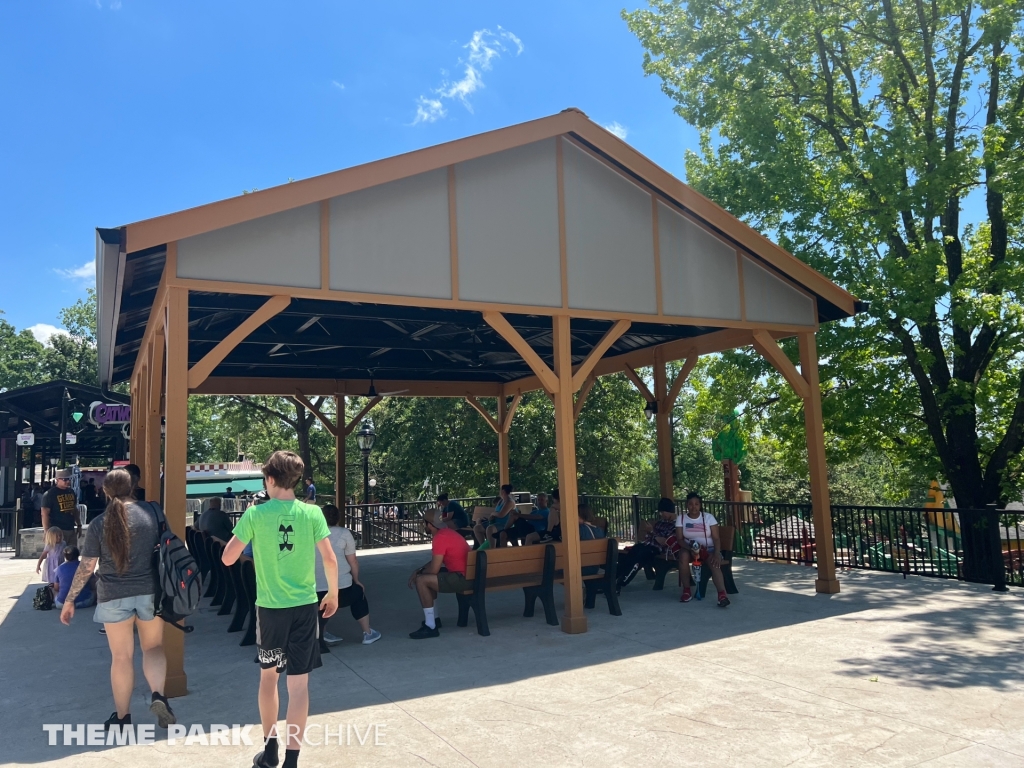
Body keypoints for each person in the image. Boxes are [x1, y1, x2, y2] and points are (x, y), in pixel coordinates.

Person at [222, 451, 338, 768]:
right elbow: (329, 558)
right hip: (304, 608)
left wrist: (251, 530)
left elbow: (228, 558)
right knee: (299, 686)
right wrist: (333, 593)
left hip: (271, 610)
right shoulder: (312, 514)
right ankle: (292, 761)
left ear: (270, 480)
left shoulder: (256, 515)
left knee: (269, 679)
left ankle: (270, 748)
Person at [59, 468, 177, 731]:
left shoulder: (100, 523)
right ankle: (158, 694)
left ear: (105, 491)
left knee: (122, 658)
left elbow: (87, 566)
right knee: (153, 648)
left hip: (112, 596)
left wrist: (69, 599)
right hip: (150, 592)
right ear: (133, 486)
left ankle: (123, 718)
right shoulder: (152, 513)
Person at [314, 504, 381, 650]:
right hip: (341, 587)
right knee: (358, 595)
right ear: (338, 518)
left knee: (320, 605)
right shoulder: (344, 533)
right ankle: (367, 632)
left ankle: (322, 632)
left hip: (316, 588)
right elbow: (353, 561)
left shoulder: (312, 533)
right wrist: (356, 580)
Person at [408, 509, 470, 639]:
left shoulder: (439, 538)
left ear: (430, 524)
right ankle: (434, 619)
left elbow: (434, 570)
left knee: (422, 581)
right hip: (469, 574)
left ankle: (431, 626)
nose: (423, 526)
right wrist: (419, 570)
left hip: (462, 579)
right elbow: (436, 561)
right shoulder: (447, 533)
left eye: (424, 523)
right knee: (425, 577)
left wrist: (419, 575)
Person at [677, 492, 730, 607]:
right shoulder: (681, 519)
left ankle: (722, 595)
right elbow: (680, 539)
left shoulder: (708, 518)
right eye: (690, 504)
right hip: (689, 548)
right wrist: (691, 548)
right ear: (687, 505)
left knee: (714, 562)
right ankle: (686, 590)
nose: (693, 507)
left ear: (700, 505)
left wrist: (716, 553)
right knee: (683, 556)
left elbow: (716, 538)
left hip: (708, 549)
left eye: (696, 504)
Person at [616, 497, 681, 590]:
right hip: (649, 545)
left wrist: (652, 532)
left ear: (669, 511)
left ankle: (621, 582)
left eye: (663, 512)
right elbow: (652, 536)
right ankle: (613, 578)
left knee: (640, 557)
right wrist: (649, 533)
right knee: (631, 554)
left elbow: (665, 542)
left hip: (658, 550)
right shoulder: (661, 522)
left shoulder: (676, 525)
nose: (661, 515)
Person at [40, 469, 80, 548]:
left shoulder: (71, 491)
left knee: (73, 554)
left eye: (69, 479)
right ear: (57, 480)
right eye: (65, 479)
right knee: (57, 555)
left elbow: (75, 509)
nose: (67, 481)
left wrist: (79, 525)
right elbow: (44, 513)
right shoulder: (50, 494)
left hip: (70, 528)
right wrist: (46, 531)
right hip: (56, 529)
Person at [474, 484, 517, 548]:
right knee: (477, 528)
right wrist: (492, 517)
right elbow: (496, 512)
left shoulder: (510, 502)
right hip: (495, 522)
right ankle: (483, 546)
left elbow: (501, 514)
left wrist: (493, 513)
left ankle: (492, 548)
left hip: (505, 524)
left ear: (503, 491)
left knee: (490, 528)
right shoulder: (501, 501)